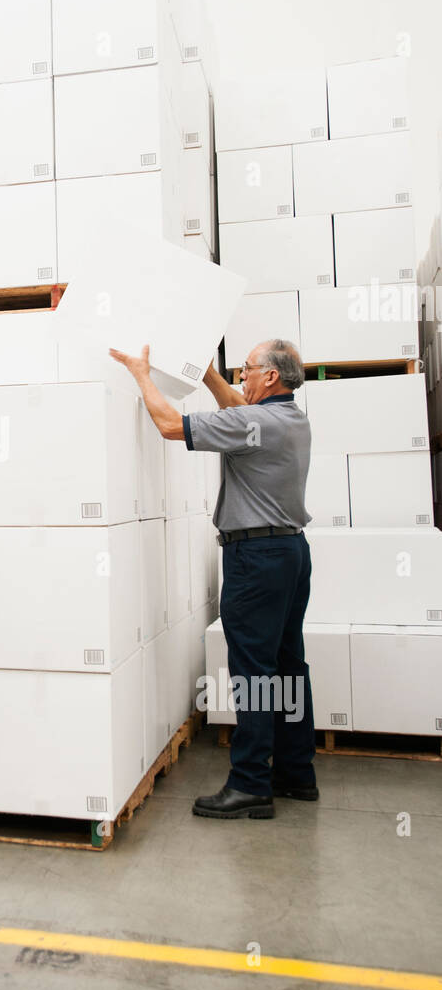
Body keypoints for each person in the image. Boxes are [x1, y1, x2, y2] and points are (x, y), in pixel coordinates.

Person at [109, 339, 316, 820]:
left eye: (247, 369)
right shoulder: (287, 419)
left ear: (270, 377)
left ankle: (249, 785)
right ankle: (295, 773)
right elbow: (240, 409)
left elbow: (167, 425)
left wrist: (141, 373)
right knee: (288, 665)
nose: (241, 375)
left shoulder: (256, 422)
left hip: (255, 559)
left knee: (254, 673)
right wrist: (206, 373)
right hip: (289, 553)